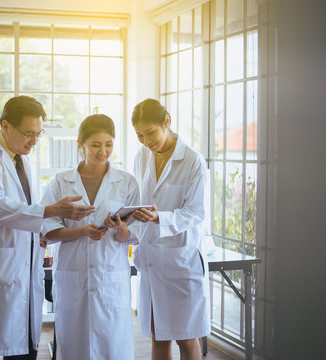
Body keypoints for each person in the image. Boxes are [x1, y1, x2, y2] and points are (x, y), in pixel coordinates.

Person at [0, 95, 95, 359]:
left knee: (23, 347)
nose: (34, 140)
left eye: (38, 133)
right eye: (28, 134)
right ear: (6, 126)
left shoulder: (22, 158)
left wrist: (40, 230)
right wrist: (51, 211)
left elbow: (22, 209)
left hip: (23, 266)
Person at [40, 114, 140, 360]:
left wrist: (119, 228)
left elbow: (134, 234)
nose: (103, 151)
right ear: (80, 144)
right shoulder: (61, 182)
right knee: (75, 348)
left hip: (111, 278)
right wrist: (83, 231)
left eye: (109, 144)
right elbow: (47, 230)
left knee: (113, 348)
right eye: (95, 145)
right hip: (74, 278)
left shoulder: (126, 182)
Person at [130, 98, 211, 360]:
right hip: (152, 262)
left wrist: (159, 218)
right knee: (158, 334)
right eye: (140, 135)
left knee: (187, 337)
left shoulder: (192, 161)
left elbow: (195, 213)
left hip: (181, 262)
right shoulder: (142, 156)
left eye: (150, 133)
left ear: (166, 121)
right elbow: (138, 198)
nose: (146, 141)